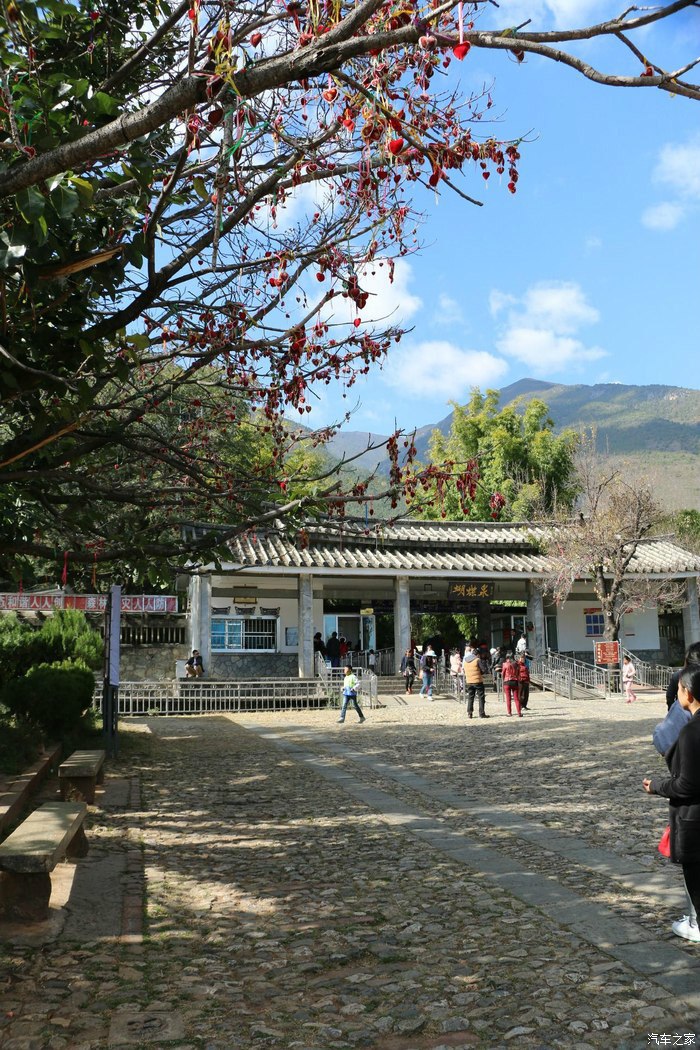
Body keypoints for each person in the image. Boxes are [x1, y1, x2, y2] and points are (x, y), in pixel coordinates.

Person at [643, 666, 700, 943]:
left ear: (688, 693)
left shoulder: (690, 732)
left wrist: (656, 786)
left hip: (694, 820)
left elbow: (687, 785)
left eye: (678, 689)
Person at [666, 642, 700, 711]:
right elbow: (670, 696)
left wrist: (672, 709)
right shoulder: (678, 676)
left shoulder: (679, 675)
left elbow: (669, 696)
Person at [463, 640, 489, 718]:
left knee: (470, 697)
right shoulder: (477, 660)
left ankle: (469, 713)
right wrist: (482, 672)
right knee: (481, 697)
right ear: (477, 654)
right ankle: (481, 713)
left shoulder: (466, 660)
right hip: (477, 681)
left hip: (469, 681)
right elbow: (483, 670)